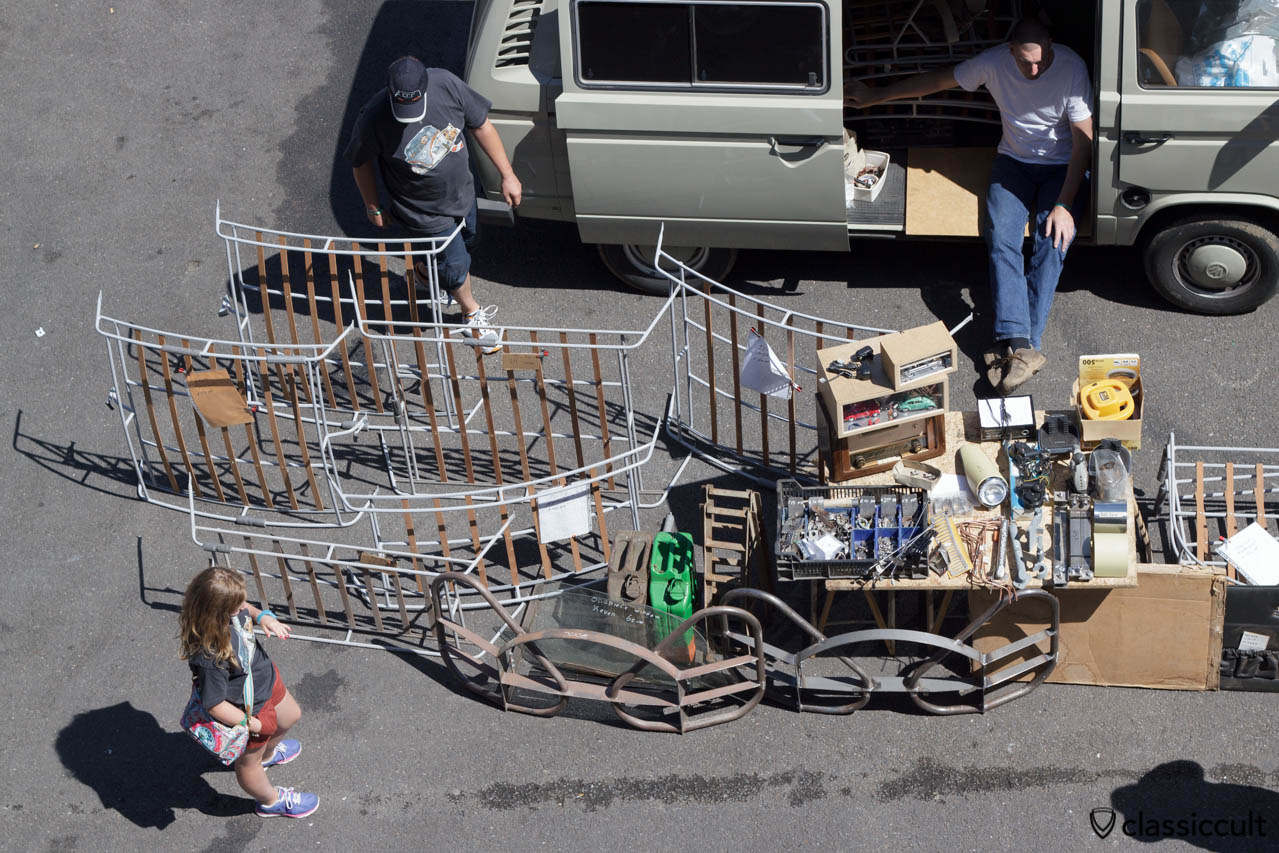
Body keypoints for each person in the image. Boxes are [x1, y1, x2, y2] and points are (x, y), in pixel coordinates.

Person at [846, 19, 1093, 394]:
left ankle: (1020, 344)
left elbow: (1083, 142)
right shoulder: (992, 62)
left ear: (1051, 44)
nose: (1034, 70)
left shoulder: (1072, 67)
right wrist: (874, 96)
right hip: (1013, 162)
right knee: (1001, 239)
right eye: (1026, 62)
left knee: (1053, 240)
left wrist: (1064, 205)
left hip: (1062, 166)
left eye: (1041, 62)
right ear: (1011, 51)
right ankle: (1023, 346)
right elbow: (935, 82)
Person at [346, 55, 522, 356]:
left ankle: (423, 275)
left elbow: (482, 125)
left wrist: (508, 175)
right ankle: (470, 315)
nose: (410, 117)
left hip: (462, 194)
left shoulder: (446, 84)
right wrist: (372, 206)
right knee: (455, 267)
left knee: (469, 242)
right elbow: (359, 162)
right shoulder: (373, 118)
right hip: (421, 212)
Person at [179, 566, 317, 819]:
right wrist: (250, 723)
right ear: (218, 612)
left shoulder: (233, 610)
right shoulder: (211, 654)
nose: (244, 606)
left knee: (290, 716)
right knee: (248, 764)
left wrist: (263, 616)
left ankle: (268, 754)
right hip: (249, 709)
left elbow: (248, 608)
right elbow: (214, 703)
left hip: (264, 681)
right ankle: (271, 801)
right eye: (237, 603)